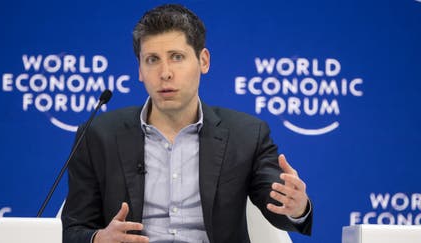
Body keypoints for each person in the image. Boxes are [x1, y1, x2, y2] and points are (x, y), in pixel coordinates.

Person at [62, 4, 312, 243]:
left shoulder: (246, 134)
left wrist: (297, 206)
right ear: (139, 68)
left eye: (177, 57)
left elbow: (277, 206)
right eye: (152, 60)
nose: (165, 72)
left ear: (203, 61)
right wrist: (97, 239)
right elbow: (71, 230)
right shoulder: (98, 135)